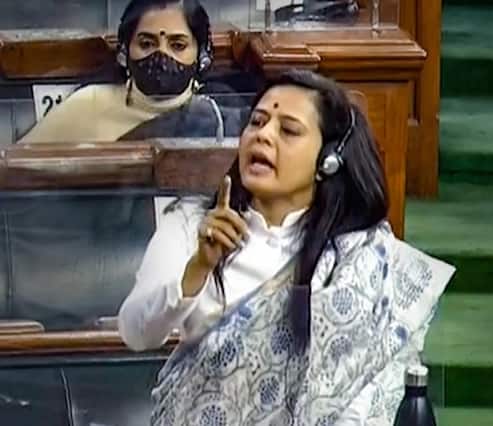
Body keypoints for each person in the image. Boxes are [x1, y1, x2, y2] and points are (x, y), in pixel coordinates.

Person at [118, 69, 455, 425]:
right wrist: (198, 268)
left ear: (328, 160)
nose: (263, 135)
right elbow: (137, 333)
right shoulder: (191, 222)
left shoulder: (358, 254)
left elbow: (376, 390)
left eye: (288, 130)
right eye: (257, 122)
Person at [18, 0, 240, 144]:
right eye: (146, 44)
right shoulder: (88, 104)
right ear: (124, 51)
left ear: (202, 56)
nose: (161, 56)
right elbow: (17, 172)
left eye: (178, 45)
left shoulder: (219, 114)